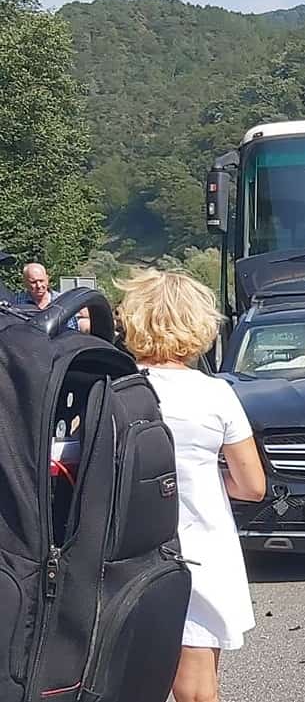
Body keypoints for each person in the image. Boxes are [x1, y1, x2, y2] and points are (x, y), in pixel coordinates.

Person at [116, 268, 265, 702]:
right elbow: (252, 485)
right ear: (198, 324)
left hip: (124, 550)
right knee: (197, 691)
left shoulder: (112, 390)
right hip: (197, 549)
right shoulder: (215, 394)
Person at [13, 263, 90, 333]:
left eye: (41, 281)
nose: (39, 286)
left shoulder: (63, 301)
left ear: (47, 279)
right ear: (25, 282)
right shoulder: (16, 303)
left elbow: (71, 330)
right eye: (33, 282)